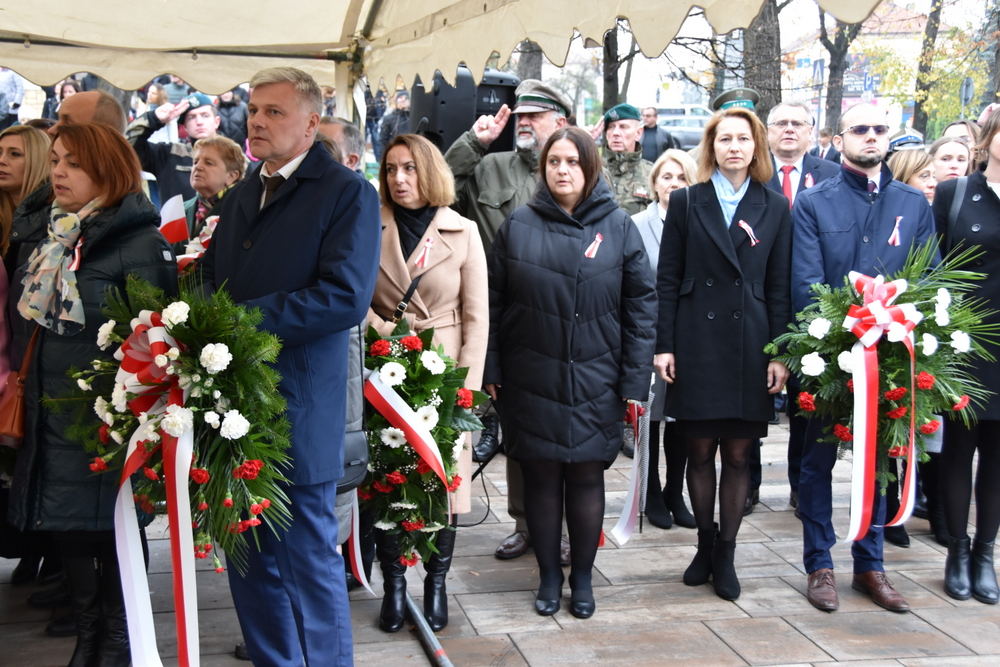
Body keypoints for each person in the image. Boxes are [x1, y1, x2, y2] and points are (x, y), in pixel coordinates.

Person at [201, 66, 380, 667]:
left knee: (307, 559)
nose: (257, 121)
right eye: (253, 110)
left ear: (310, 123)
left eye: (273, 112)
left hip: (297, 406)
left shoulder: (347, 192)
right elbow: (211, 276)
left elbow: (344, 297)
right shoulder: (241, 193)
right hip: (232, 406)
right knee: (247, 556)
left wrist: (237, 322)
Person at [7, 122, 177, 667]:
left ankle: (119, 639)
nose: (58, 172)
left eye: (74, 163)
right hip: (53, 408)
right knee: (69, 528)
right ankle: (88, 637)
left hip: (110, 415)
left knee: (115, 530)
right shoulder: (58, 233)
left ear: (108, 170)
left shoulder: (141, 243)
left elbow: (160, 340)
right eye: (56, 160)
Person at [485, 126, 656, 619]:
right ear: (543, 168)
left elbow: (641, 309)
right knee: (539, 478)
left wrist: (633, 381)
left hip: (597, 379)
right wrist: (492, 367)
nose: (563, 170)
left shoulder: (618, 226)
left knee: (585, 477)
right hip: (530, 377)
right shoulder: (518, 224)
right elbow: (493, 301)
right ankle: (548, 576)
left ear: (590, 168)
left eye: (573, 162)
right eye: (554, 161)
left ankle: (582, 578)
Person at [792, 103, 936, 613]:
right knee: (817, 462)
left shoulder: (912, 203)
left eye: (879, 129)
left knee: (880, 463)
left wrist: (900, 328)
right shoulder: (813, 202)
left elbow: (928, 276)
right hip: (832, 355)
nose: (870, 136)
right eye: (860, 129)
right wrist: (839, 335)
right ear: (840, 140)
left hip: (893, 354)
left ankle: (870, 565)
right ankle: (819, 564)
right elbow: (806, 282)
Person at [654, 106, 791, 601]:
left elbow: (779, 286)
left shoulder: (775, 205)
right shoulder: (687, 201)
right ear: (711, 147)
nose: (734, 146)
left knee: (737, 453)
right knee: (699, 450)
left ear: (757, 147)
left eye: (743, 138)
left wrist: (779, 353)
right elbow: (667, 279)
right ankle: (704, 545)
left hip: (750, 342)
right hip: (695, 339)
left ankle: (727, 552)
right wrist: (664, 345)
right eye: (724, 138)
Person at [445, 79, 572, 562]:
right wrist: (473, 144)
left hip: (565, 322)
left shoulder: (574, 169)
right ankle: (526, 523)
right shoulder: (490, 166)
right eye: (520, 116)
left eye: (534, 116)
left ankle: (566, 528)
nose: (523, 122)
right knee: (518, 429)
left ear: (560, 122)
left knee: (566, 431)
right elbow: (439, 189)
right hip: (503, 318)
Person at [367, 133, 488, 632]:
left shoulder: (464, 231)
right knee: (389, 478)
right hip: (387, 371)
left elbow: (478, 318)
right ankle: (394, 587)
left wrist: (467, 389)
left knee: (446, 483)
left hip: (447, 375)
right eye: (391, 169)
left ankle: (436, 585)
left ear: (431, 172)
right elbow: (355, 299)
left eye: (410, 168)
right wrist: (386, 334)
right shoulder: (369, 226)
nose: (399, 179)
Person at [932, 110, 1000, 605]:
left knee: (997, 458)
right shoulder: (955, 193)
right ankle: (956, 549)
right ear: (987, 140)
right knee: (958, 449)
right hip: (965, 343)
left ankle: (984, 554)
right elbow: (932, 268)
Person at [761, 101, 840, 517]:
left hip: (815, 309)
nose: (789, 129)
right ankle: (748, 486)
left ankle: (800, 486)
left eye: (798, 123)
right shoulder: (755, 173)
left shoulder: (832, 175)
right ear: (768, 132)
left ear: (812, 132)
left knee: (807, 407)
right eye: (781, 123)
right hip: (762, 303)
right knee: (756, 399)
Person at [631, 148, 698, 531]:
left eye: (682, 177)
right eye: (667, 177)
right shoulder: (637, 225)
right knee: (651, 417)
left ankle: (676, 490)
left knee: (681, 418)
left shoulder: (701, 222)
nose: (674, 184)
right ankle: (651, 491)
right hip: (649, 334)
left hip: (690, 335)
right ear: (654, 183)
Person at [126, 92, 224, 202]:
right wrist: (153, 118)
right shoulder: (168, 154)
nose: (199, 122)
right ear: (185, 127)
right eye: (191, 117)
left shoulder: (232, 156)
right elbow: (127, 149)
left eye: (205, 115)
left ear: (216, 122)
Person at [183, 135, 246, 243]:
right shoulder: (181, 209)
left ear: (231, 176)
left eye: (209, 163)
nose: (197, 167)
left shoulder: (243, 211)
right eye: (195, 162)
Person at [602, 103, 654, 216]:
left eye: (623, 127)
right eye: (611, 127)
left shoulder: (652, 173)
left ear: (638, 133)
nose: (615, 133)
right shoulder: (595, 170)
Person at [377, 91, 410, 160]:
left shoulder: (414, 118)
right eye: (401, 98)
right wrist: (382, 158)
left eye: (405, 98)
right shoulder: (389, 119)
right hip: (394, 154)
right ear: (397, 101)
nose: (403, 101)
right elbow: (383, 140)